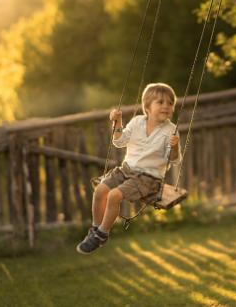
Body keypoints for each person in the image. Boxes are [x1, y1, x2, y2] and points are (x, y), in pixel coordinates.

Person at [77, 82, 181, 254]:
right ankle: (95, 229)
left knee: (114, 195)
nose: (166, 106)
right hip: (126, 170)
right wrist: (117, 122)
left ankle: (103, 233)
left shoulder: (171, 131)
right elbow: (119, 141)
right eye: (160, 102)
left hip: (148, 178)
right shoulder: (137, 122)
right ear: (147, 107)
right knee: (100, 191)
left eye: (170, 103)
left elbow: (174, 160)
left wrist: (175, 146)